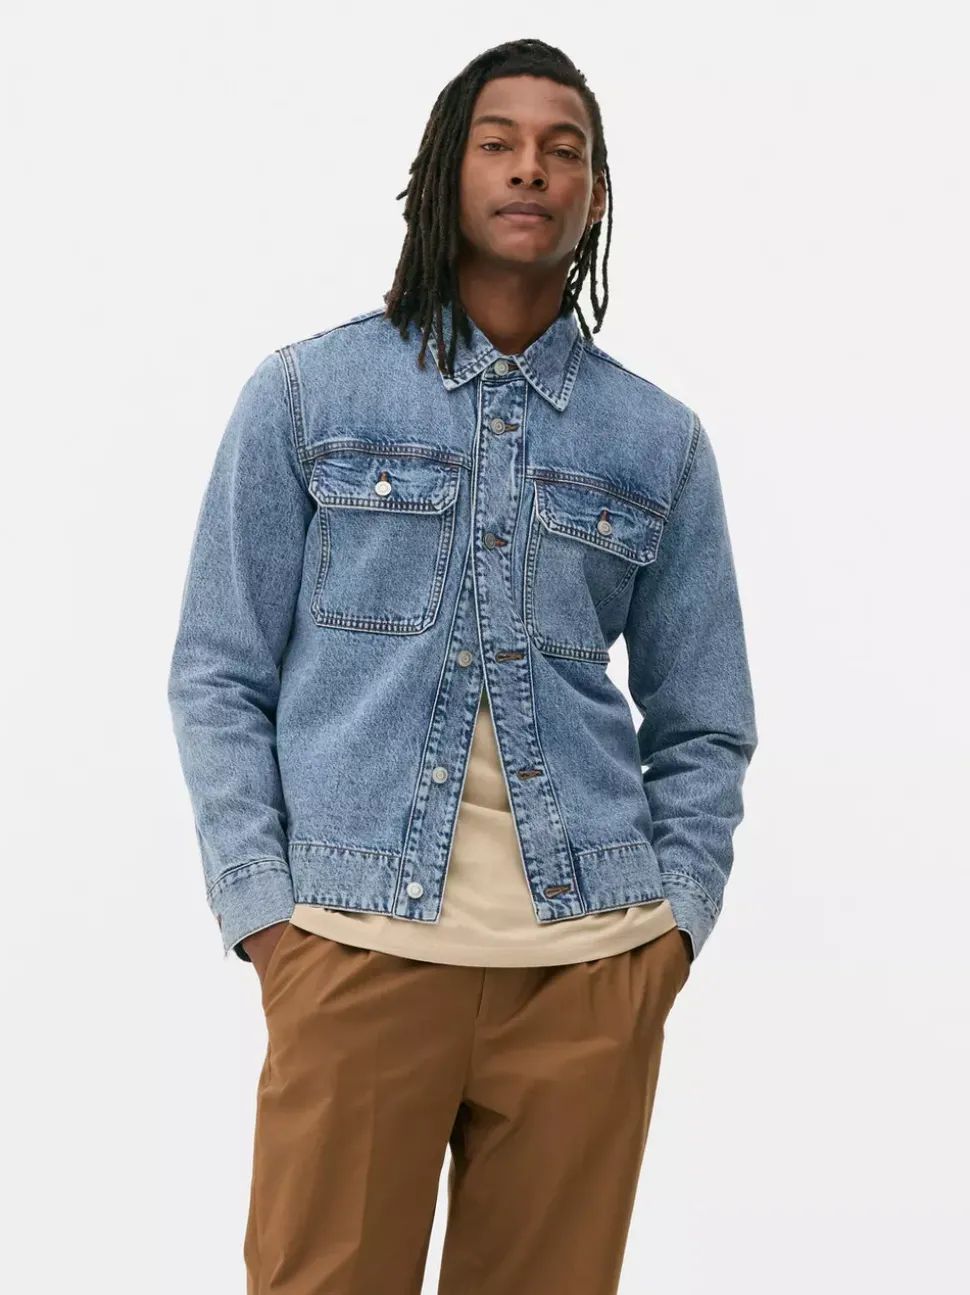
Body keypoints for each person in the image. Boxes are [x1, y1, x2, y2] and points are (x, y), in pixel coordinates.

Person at [167, 37, 758, 1295]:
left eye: (562, 149)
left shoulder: (657, 440)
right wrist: (267, 917)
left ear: (595, 193)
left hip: (586, 968)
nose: (529, 168)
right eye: (498, 143)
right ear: (445, 172)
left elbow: (705, 718)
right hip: (353, 945)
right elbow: (218, 671)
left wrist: (669, 929)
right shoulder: (307, 394)